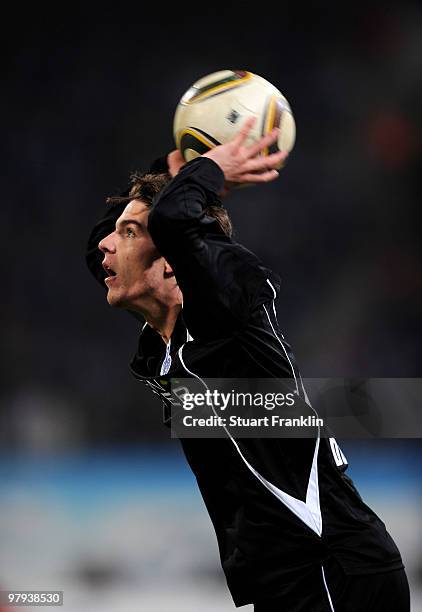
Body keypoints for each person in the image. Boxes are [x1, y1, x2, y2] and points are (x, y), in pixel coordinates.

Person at [86, 118, 409, 610]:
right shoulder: (167, 343)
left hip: (331, 567)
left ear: (174, 263)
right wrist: (169, 170)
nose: (108, 244)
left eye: (127, 232)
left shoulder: (231, 318)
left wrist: (209, 167)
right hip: (289, 580)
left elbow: (174, 220)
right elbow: (104, 248)